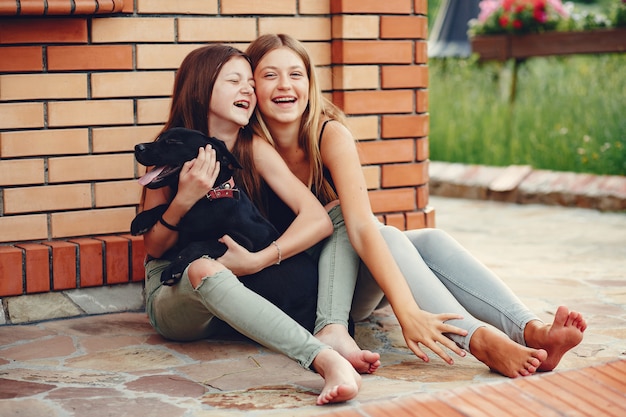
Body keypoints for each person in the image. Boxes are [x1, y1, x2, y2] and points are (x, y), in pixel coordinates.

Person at [246, 33, 587, 378]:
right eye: (270, 75)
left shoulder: (328, 134)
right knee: (390, 237)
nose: (284, 85)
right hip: (316, 295)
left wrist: (406, 308)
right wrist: (405, 310)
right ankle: (480, 341)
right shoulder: (248, 149)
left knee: (427, 239)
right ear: (252, 85)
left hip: (354, 278)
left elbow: (363, 229)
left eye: (296, 74)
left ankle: (531, 330)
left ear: (310, 83)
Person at [137, 44, 361, 405]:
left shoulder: (250, 146)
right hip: (175, 290)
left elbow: (318, 218)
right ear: (201, 88)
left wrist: (260, 259)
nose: (248, 89)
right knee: (204, 268)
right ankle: (324, 358)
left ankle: (330, 326)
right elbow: (154, 248)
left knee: (340, 211)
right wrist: (184, 198)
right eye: (234, 80)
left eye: (250, 82)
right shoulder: (171, 148)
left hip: (238, 279)